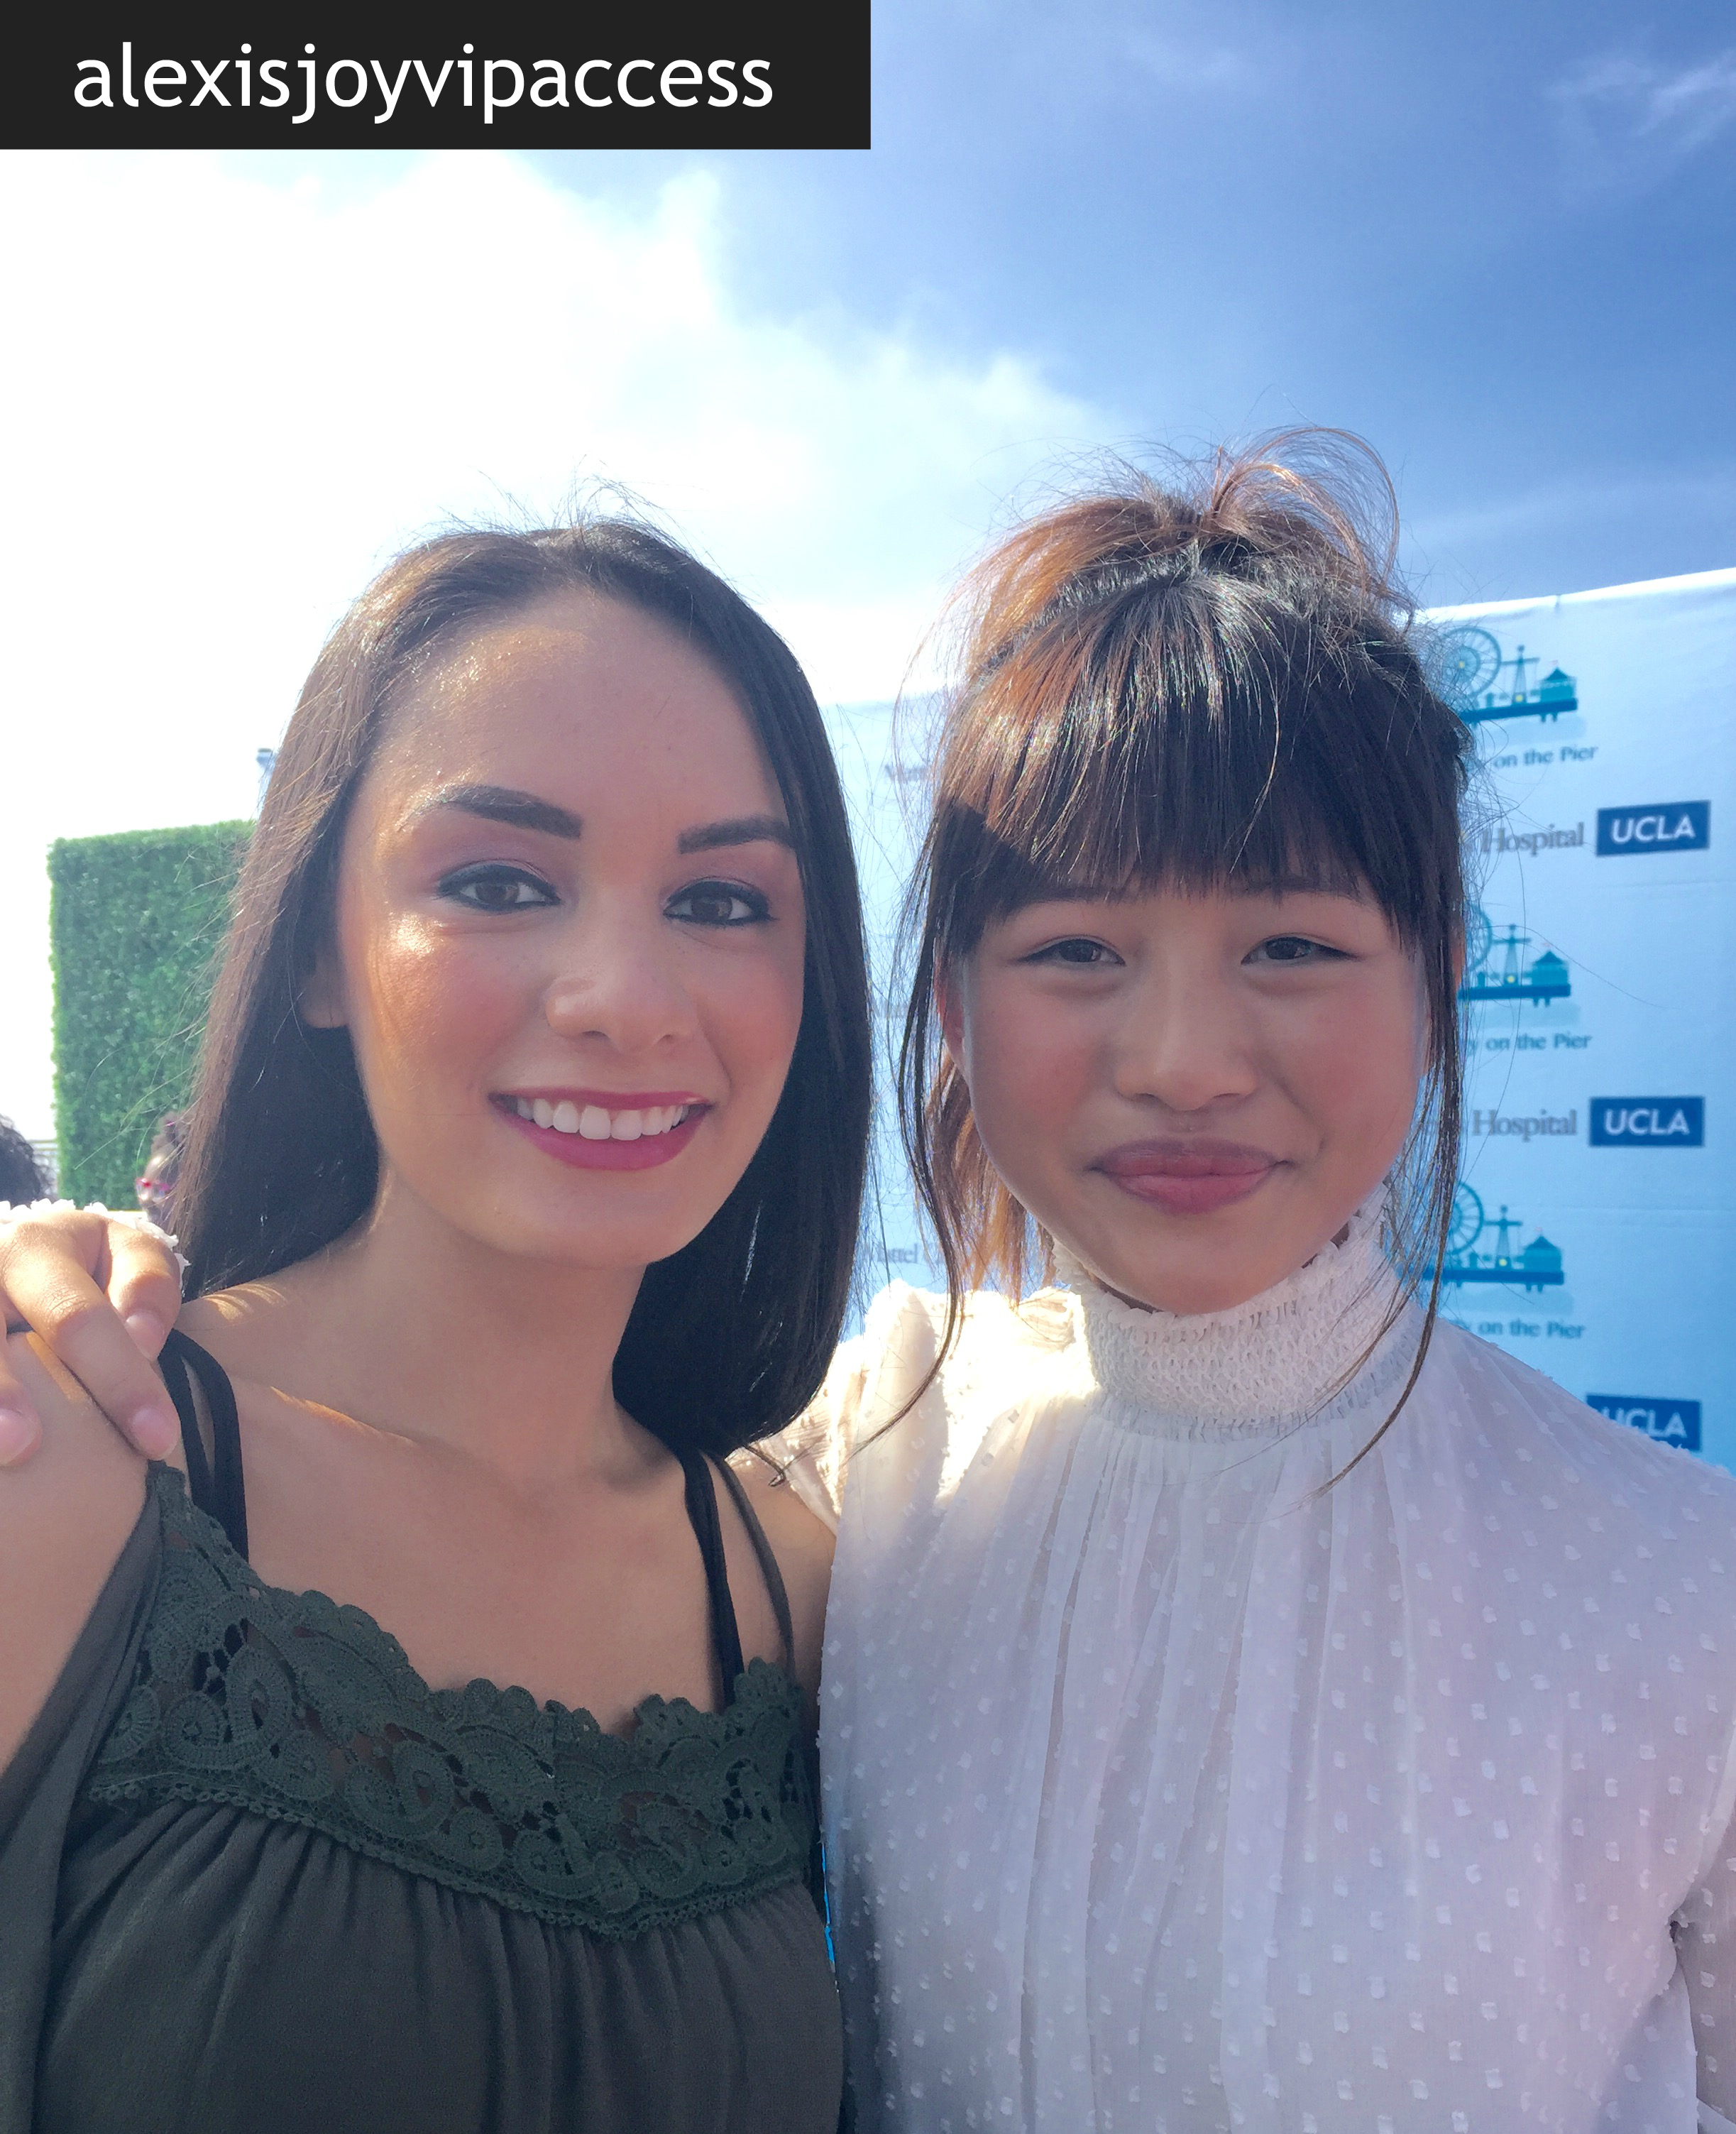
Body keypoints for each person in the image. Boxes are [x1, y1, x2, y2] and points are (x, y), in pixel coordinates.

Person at [8, 437, 1736, 2133]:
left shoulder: (1677, 1585)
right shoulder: (869, 1478)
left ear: (1438, 977)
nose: (1183, 1061)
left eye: (1291, 944)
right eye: (1075, 949)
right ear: (950, 1006)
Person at [0, 516, 871, 2132]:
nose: (624, 996)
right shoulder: (69, 1464)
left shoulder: (795, 1589)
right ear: (319, 951)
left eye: (721, 899)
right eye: (497, 882)